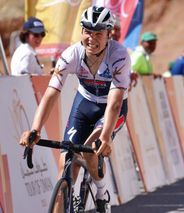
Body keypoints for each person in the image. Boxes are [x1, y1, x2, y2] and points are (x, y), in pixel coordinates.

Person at [19, 6, 131, 213]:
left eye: (98, 33)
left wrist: (105, 137)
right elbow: (51, 93)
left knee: (90, 151)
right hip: (85, 103)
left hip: (112, 108)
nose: (92, 38)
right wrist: (35, 129)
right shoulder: (72, 54)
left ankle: (102, 192)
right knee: (66, 167)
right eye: (88, 31)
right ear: (81, 31)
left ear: (109, 34)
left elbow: (114, 103)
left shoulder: (119, 56)